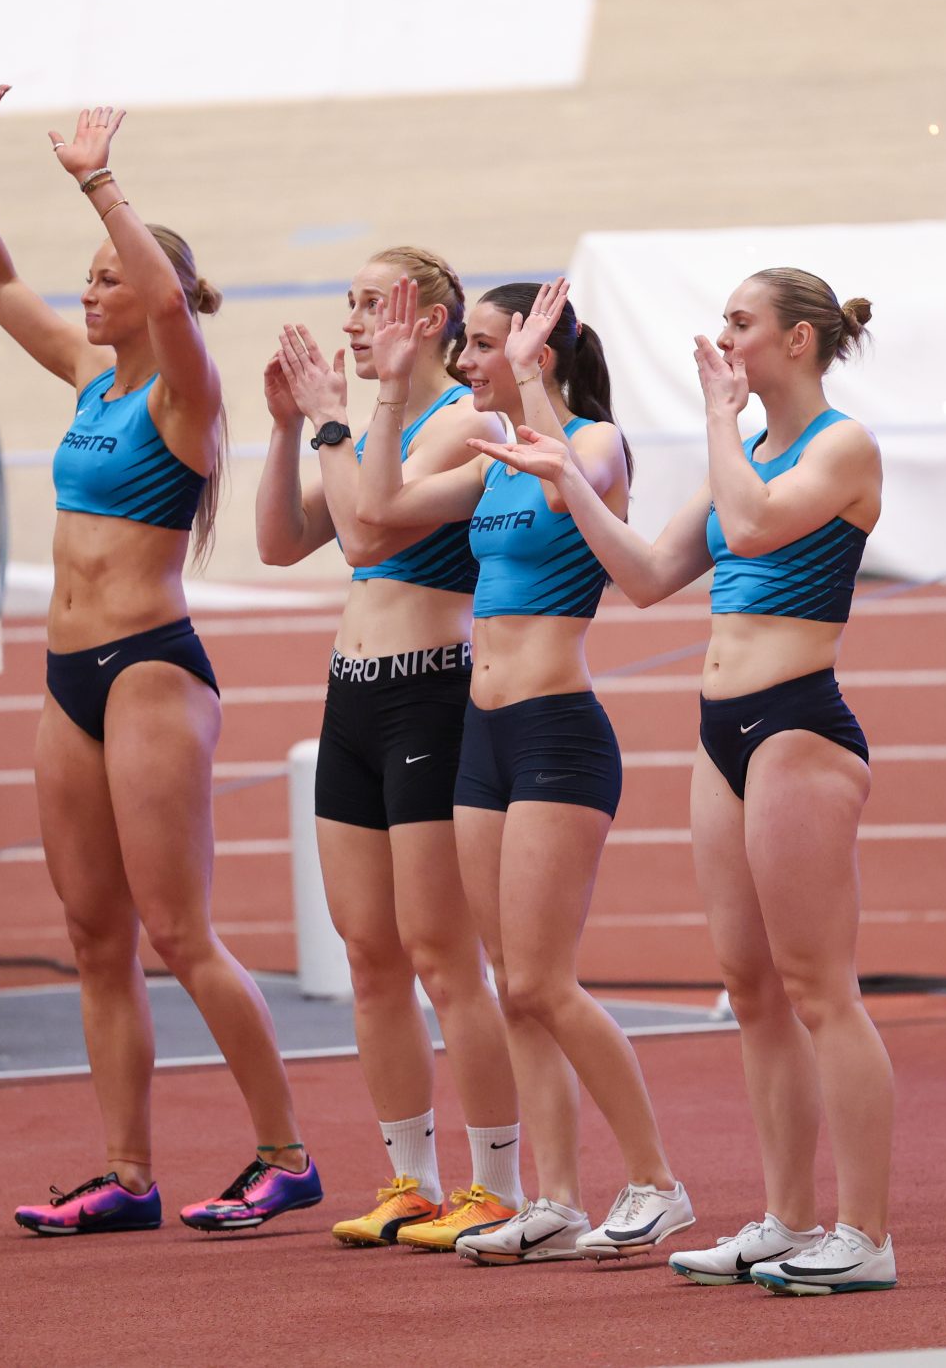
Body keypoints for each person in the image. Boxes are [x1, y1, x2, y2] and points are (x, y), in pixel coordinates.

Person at [472, 268, 897, 1295]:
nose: (723, 340)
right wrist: (568, 478)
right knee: (751, 989)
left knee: (820, 989)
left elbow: (751, 529)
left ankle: (865, 1232)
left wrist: (716, 418)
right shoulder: (741, 454)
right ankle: (787, 1218)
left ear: (797, 341)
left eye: (741, 324)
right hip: (723, 734)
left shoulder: (840, 445)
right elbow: (645, 575)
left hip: (799, 727)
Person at [0, 86, 319, 1236]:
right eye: (89, 277)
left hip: (151, 668)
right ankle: (128, 1172)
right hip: (69, 679)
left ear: (159, 295)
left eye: (107, 277)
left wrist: (100, 184)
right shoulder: (87, 375)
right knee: (94, 936)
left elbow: (160, 295)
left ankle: (286, 1153)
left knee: (178, 931)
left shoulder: (185, 395)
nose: (89, 292)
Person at [353, 275, 693, 1265]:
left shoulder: (593, 443)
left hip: (557, 733)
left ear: (534, 351)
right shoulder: (491, 457)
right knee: (512, 985)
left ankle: (657, 1180)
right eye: (462, 346)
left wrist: (536, 379)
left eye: (482, 345)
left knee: (545, 979)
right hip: (482, 737)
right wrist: (388, 390)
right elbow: (379, 509)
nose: (464, 362)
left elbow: (565, 487)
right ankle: (555, 1197)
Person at [260, 250, 524, 1251]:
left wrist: (336, 417)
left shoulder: (459, 420)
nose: (354, 321)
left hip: (429, 697)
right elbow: (281, 541)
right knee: (369, 955)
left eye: (374, 303)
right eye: (351, 303)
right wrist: (287, 427)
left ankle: (495, 1182)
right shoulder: (364, 428)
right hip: (353, 698)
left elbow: (370, 534)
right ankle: (411, 1178)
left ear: (432, 320)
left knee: (442, 956)